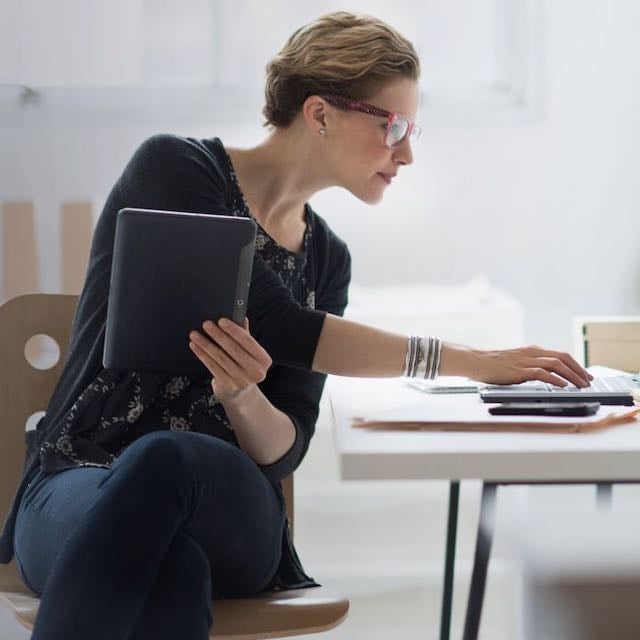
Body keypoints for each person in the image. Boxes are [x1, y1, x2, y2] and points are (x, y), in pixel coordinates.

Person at [1, 11, 591, 640]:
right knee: (171, 571)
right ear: (320, 114)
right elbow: (280, 323)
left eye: (412, 130)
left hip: (229, 513)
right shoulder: (175, 169)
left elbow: (285, 446)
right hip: (78, 482)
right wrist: (472, 359)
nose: (408, 152)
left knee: (166, 457)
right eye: (394, 126)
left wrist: (242, 397)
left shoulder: (328, 259)